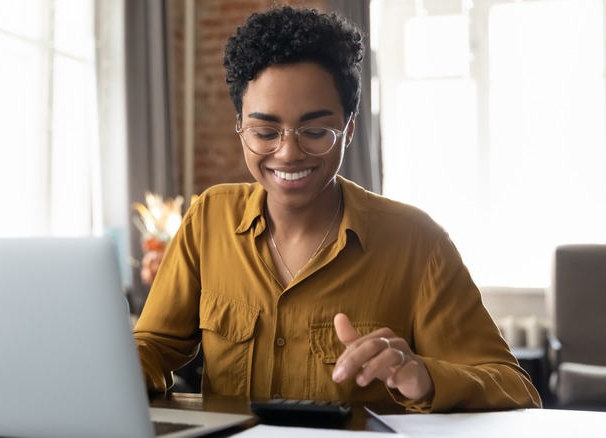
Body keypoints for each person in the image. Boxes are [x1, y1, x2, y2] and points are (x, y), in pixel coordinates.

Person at [134, 5, 541, 413]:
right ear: (240, 126)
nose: (288, 153)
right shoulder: (209, 219)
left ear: (349, 128)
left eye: (315, 131)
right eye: (264, 131)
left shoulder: (417, 243)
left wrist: (424, 376)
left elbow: (515, 388)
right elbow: (153, 346)